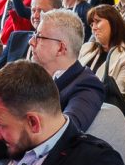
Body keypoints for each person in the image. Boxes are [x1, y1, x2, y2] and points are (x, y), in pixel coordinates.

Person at [20, 7, 107, 135]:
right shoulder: (33, 74)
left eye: (39, 36)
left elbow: (67, 130)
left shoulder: (87, 85)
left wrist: (15, 124)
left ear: (60, 48)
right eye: (34, 34)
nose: (31, 41)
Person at [79, 3, 125, 119]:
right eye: (91, 24)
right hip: (79, 104)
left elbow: (117, 98)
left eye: (97, 21)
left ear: (113, 23)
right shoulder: (86, 48)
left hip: (102, 114)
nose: (93, 27)